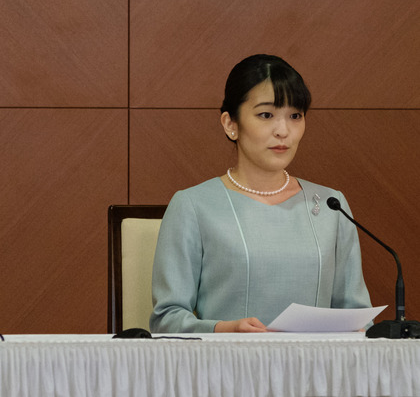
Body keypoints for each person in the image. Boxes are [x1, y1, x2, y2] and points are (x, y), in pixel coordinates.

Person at [150, 54, 372, 333]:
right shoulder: (193, 206)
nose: (283, 131)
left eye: (295, 116)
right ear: (230, 124)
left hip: (316, 372)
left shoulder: (331, 205)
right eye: (266, 115)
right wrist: (224, 330)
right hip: (227, 369)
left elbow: (357, 316)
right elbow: (166, 319)